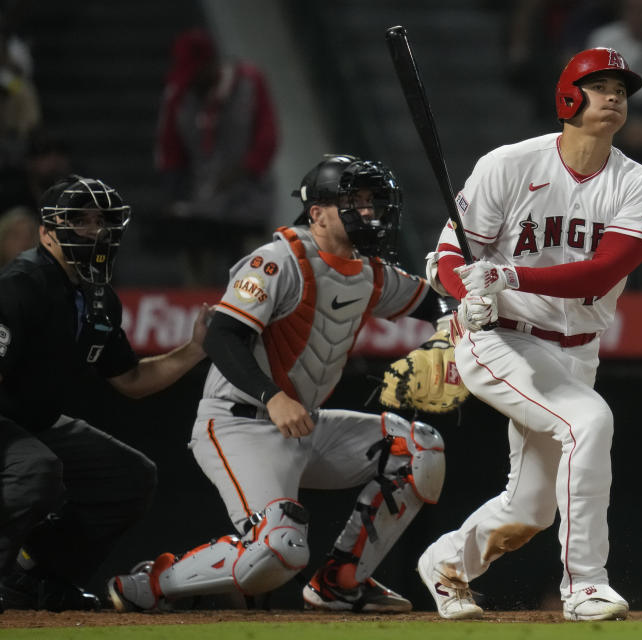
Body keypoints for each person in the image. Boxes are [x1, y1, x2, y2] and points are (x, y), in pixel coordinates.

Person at [107, 155, 454, 614]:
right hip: (239, 422)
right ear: (317, 212)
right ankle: (154, 584)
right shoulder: (277, 260)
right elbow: (221, 335)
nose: (369, 212)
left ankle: (342, 582)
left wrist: (458, 320)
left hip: (302, 424)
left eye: (373, 202)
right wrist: (272, 398)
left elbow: (433, 302)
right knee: (280, 549)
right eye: (355, 201)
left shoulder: (369, 272)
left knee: (419, 449)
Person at [416, 47, 642, 621]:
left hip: (577, 349)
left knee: (530, 509)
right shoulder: (508, 163)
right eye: (600, 86)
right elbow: (452, 254)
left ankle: (448, 561)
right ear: (568, 97)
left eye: (621, 91)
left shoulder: (641, 184)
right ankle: (584, 585)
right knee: (591, 420)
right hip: (502, 337)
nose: (613, 98)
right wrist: (467, 291)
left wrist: (504, 273)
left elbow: (605, 269)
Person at [0, 175, 210, 611]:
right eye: (79, 220)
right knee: (36, 469)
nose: (94, 231)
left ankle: (38, 577)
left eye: (103, 220)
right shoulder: (19, 286)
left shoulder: (98, 298)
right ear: (46, 232)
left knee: (129, 476)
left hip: (34, 422)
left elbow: (130, 379)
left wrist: (195, 350)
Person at [155, 28, 278, 287]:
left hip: (249, 204)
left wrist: (244, 171)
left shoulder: (249, 82)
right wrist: (174, 196)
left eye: (196, 73)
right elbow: (170, 151)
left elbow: (268, 139)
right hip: (201, 206)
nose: (191, 81)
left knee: (255, 280)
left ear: (211, 64)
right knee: (200, 282)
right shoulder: (179, 93)